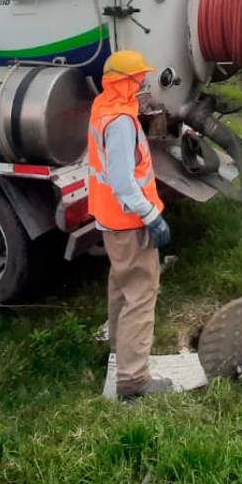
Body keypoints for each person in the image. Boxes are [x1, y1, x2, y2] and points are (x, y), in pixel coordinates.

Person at [86, 50, 174, 399]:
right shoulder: (120, 122)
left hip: (111, 219)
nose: (142, 84)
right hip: (129, 220)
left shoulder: (103, 108)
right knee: (141, 293)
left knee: (121, 284)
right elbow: (124, 182)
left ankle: (116, 349)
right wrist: (153, 218)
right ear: (122, 81)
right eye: (137, 79)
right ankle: (134, 380)